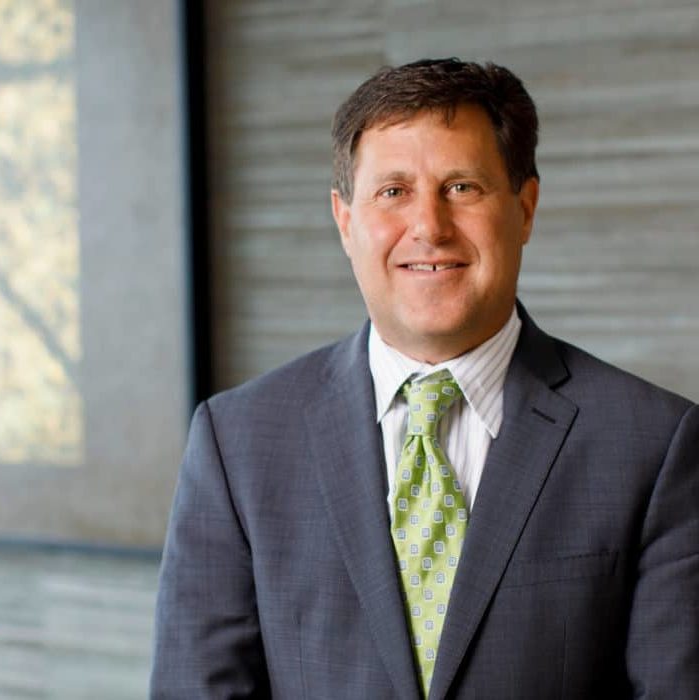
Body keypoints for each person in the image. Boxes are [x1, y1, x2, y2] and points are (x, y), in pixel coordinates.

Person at [150, 58, 699, 699]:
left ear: (524, 209)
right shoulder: (236, 442)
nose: (429, 227)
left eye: (462, 187)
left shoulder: (655, 445)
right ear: (345, 219)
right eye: (392, 192)